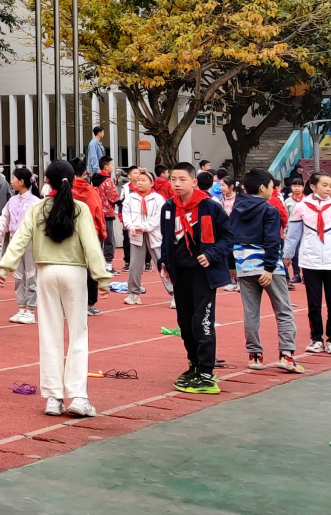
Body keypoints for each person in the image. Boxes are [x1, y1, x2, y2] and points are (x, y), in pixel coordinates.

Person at [0, 159, 111, 417]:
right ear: (73, 181)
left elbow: (19, 239)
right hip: (74, 273)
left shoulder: (38, 208)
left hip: (46, 272)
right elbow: (92, 245)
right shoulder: (80, 209)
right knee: (78, 333)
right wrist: (102, 277)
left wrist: (5, 266)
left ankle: (53, 397)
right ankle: (79, 397)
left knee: (49, 333)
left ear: (45, 181)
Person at [160, 161, 231, 394]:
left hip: (203, 274)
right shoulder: (169, 207)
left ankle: (207, 372)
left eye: (182, 179)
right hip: (179, 274)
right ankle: (194, 365)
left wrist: (210, 254)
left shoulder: (209, 207)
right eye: (173, 179)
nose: (177, 184)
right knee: (185, 322)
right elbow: (166, 239)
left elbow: (228, 237)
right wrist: (164, 262)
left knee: (203, 322)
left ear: (194, 182)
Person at [229, 169, 302, 374]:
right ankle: (286, 355)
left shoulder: (236, 208)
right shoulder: (270, 210)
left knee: (251, 311)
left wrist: (232, 265)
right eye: (272, 186)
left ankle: (254, 356)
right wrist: (269, 267)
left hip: (243, 264)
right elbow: (273, 241)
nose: (273, 190)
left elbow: (229, 237)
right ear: (262, 188)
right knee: (283, 310)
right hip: (268, 267)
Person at [288, 170, 331, 355]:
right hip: (310, 261)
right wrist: (287, 255)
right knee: (314, 303)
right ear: (313, 186)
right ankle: (316, 338)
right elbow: (293, 235)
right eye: (324, 185)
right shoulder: (302, 207)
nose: (329, 189)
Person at [0, 166, 41, 324]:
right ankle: (21, 307)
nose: (11, 182)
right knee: (18, 275)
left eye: (13, 179)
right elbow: (4, 218)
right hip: (14, 240)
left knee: (31, 274)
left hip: (30, 242)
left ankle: (31, 310)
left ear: (21, 181)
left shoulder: (35, 202)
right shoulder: (12, 201)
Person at [120, 167, 164, 307]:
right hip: (136, 235)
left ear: (151, 183)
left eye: (143, 180)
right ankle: (133, 294)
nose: (140, 183)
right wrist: (131, 226)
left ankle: (175, 293)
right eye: (138, 180)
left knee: (162, 263)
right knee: (135, 265)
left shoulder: (158, 199)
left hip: (153, 234)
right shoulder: (131, 197)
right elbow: (126, 214)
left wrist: (143, 227)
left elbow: (158, 218)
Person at [71, 158, 111, 315]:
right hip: (90, 232)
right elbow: (99, 214)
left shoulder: (66, 191)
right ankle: (90, 304)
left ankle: (73, 301)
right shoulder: (92, 192)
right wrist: (102, 233)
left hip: (71, 233)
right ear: (84, 172)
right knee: (91, 268)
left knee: (72, 267)